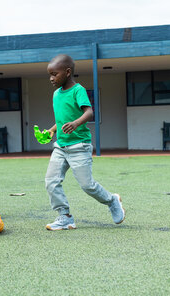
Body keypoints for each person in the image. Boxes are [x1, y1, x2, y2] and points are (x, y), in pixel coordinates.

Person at [42, 54, 125, 230]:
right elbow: (61, 119)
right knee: (51, 181)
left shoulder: (78, 90)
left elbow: (89, 112)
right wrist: (51, 130)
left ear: (67, 72)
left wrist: (75, 123)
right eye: (49, 74)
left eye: (54, 74)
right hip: (61, 147)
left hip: (79, 146)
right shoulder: (56, 94)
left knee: (88, 186)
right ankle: (65, 217)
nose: (51, 78)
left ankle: (112, 200)